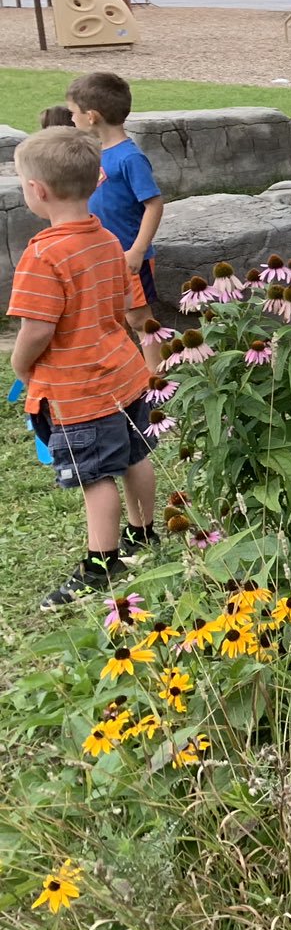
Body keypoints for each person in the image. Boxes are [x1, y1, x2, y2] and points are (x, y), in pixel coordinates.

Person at [8, 127, 157, 608]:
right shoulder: (109, 238)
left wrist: (19, 362)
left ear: (38, 191)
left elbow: (37, 329)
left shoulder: (42, 254)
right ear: (96, 180)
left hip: (78, 391)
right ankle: (144, 532)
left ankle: (101, 562)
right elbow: (119, 307)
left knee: (95, 477)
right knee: (137, 455)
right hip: (124, 372)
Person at [66, 72, 163, 313]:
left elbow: (154, 204)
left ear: (91, 117)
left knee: (140, 320)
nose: (71, 117)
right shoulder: (95, 151)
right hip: (100, 253)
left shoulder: (129, 158)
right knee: (112, 315)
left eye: (73, 112)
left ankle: (152, 353)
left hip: (128, 254)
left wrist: (138, 250)